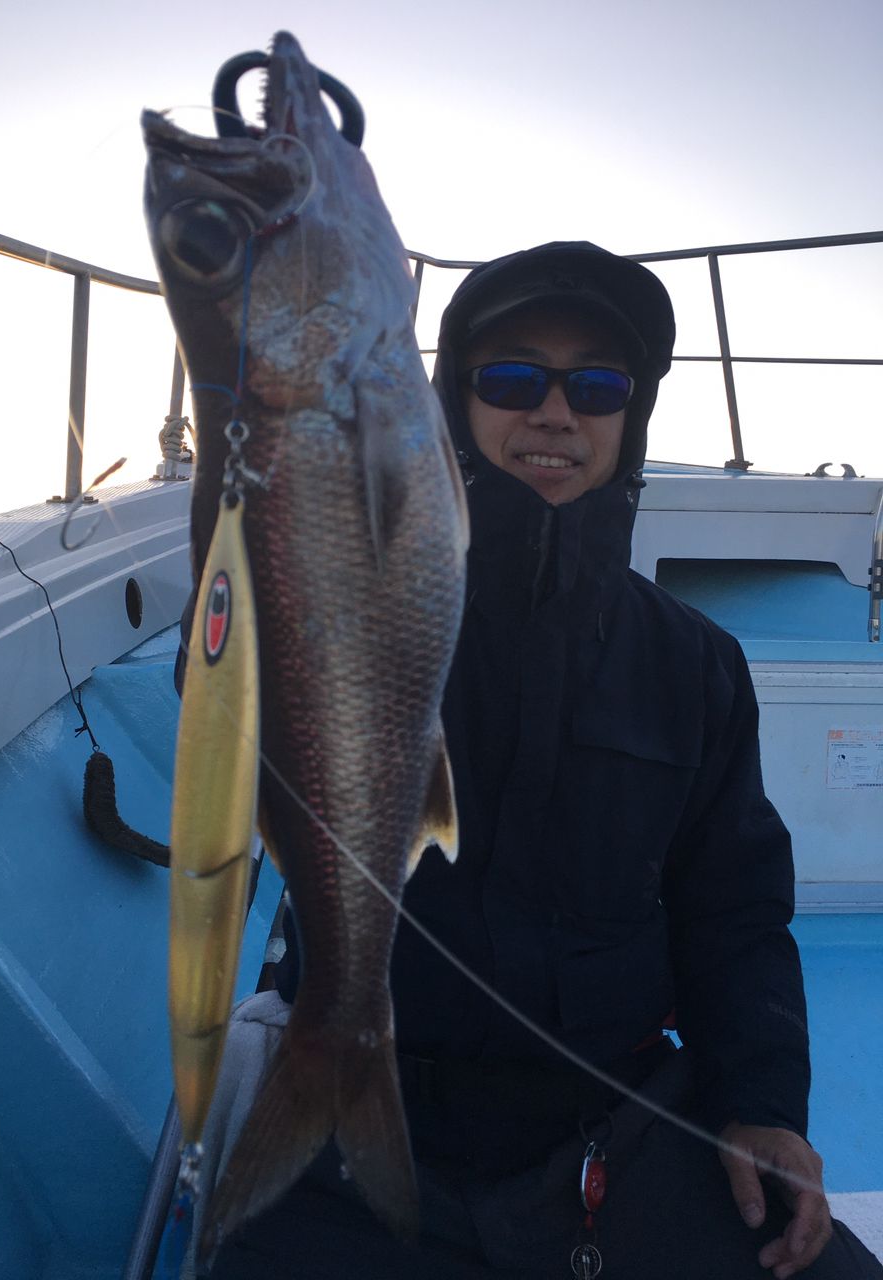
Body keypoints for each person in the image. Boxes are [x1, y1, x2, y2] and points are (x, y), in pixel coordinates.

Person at [198, 242, 882, 1279]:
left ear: (631, 414)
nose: (555, 413)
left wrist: (761, 1103)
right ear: (455, 403)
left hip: (616, 1121)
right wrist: (248, 367)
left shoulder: (697, 662)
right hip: (367, 1115)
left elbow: (732, 910)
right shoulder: (359, 598)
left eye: (596, 385)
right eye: (512, 378)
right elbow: (228, 688)